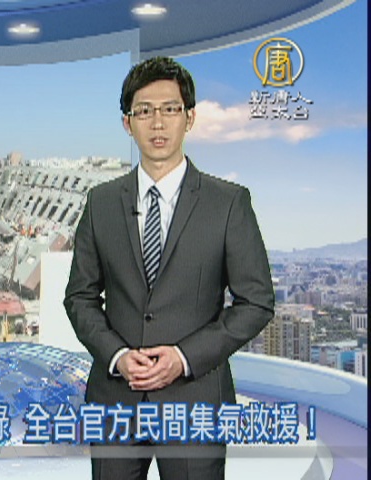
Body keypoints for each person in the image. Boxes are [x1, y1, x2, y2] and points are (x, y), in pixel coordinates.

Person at [63, 56, 275, 480]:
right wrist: (118, 356)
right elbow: (80, 297)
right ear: (127, 123)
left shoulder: (228, 203)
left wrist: (183, 358)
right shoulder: (100, 203)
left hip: (195, 403)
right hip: (116, 404)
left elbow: (256, 302)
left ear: (189, 117)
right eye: (144, 111)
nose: (157, 123)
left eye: (170, 109)